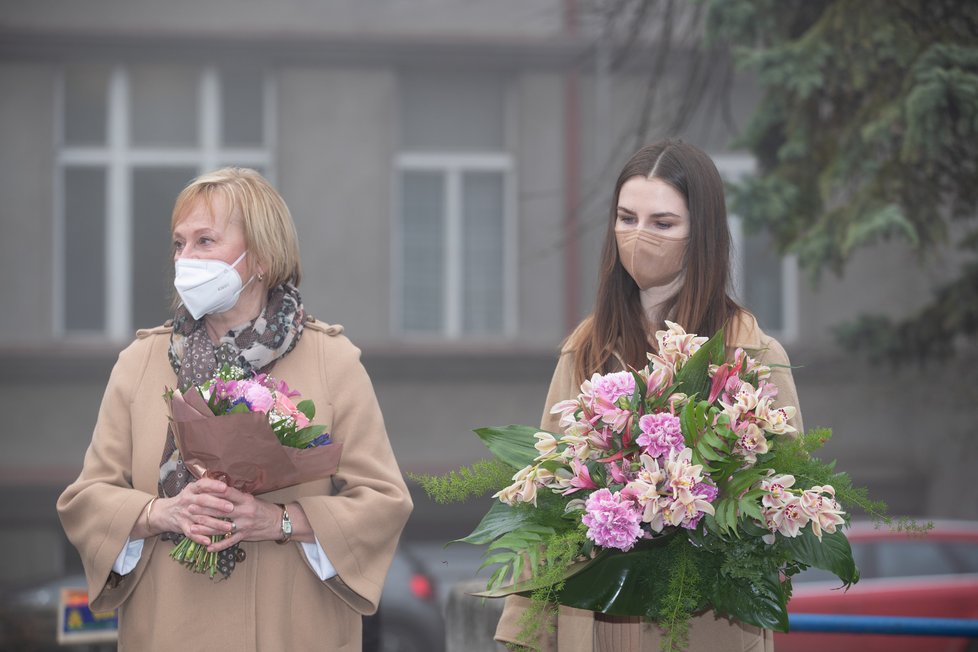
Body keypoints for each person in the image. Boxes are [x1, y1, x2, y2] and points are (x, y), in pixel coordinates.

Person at [57, 167, 413, 650]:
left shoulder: (333, 360)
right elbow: (87, 500)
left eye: (205, 241)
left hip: (291, 631)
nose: (186, 259)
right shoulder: (140, 361)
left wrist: (280, 522)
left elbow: (383, 503)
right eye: (179, 244)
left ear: (262, 257)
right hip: (169, 628)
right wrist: (163, 512)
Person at [494, 140, 803, 652]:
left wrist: (691, 507)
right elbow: (546, 501)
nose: (639, 237)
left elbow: (779, 504)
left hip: (703, 625)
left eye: (662, 223)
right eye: (626, 218)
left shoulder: (750, 351)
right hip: (592, 621)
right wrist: (522, 633)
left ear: (700, 234)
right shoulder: (587, 346)